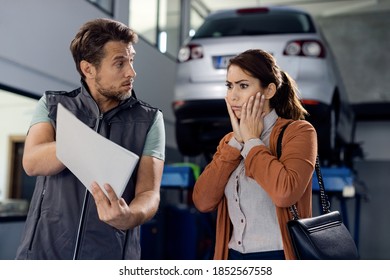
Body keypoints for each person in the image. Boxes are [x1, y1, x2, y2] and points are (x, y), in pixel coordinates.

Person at [15, 18, 165, 260]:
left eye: (131, 60)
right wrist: (85, 133)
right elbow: (32, 162)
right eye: (120, 63)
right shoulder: (53, 105)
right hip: (43, 256)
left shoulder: (149, 119)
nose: (131, 72)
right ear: (88, 69)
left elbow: (149, 192)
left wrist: (130, 217)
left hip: (111, 257)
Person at [192, 49, 317, 260]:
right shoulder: (229, 142)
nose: (233, 95)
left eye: (243, 85)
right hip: (232, 257)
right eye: (229, 86)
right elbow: (202, 201)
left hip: (278, 256)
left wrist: (252, 142)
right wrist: (236, 143)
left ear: (269, 91)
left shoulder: (299, 132)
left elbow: (285, 193)